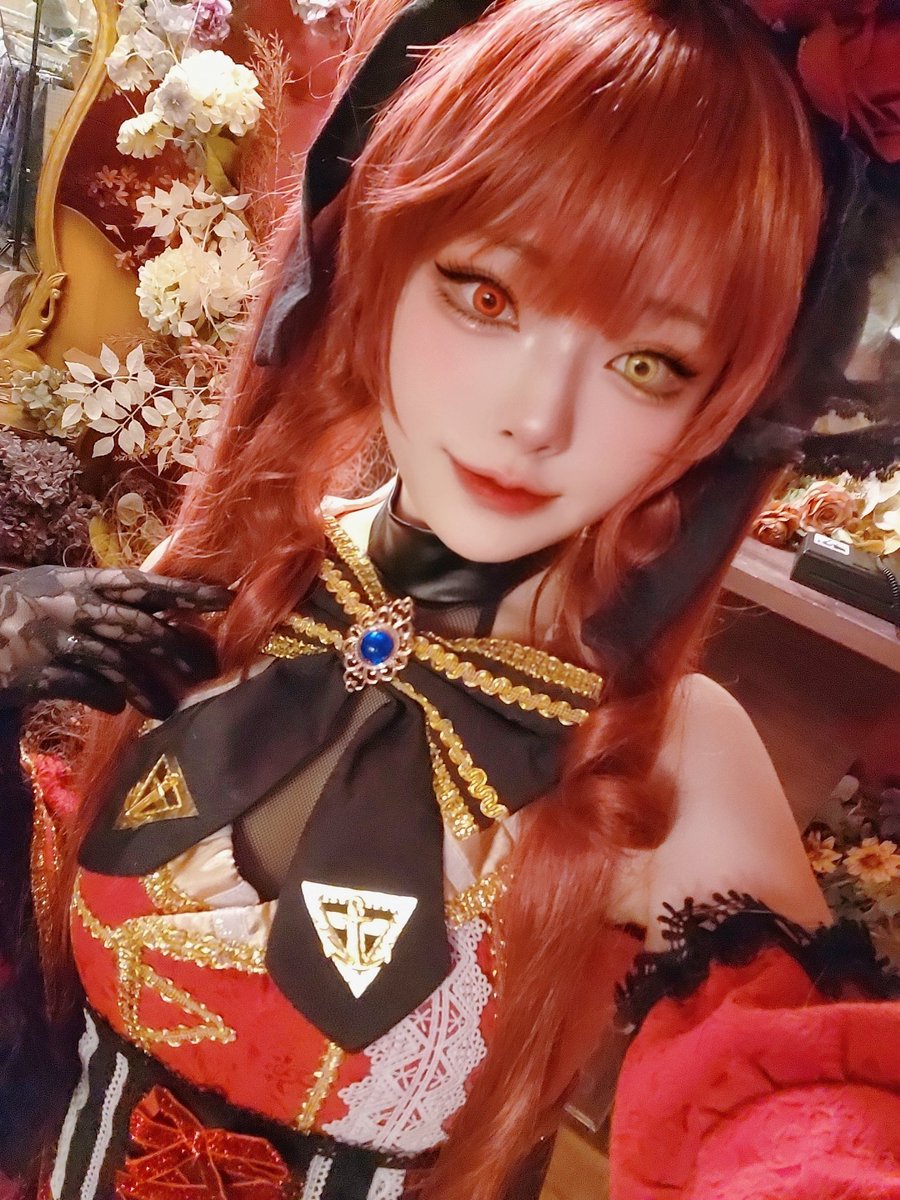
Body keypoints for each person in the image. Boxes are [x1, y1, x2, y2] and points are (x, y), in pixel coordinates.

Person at [3, 1, 900, 1198]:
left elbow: (793, 1117)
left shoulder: (664, 756)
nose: (537, 419)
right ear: (378, 260)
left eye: (648, 364)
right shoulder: (233, 584)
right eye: (485, 296)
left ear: (718, 415)